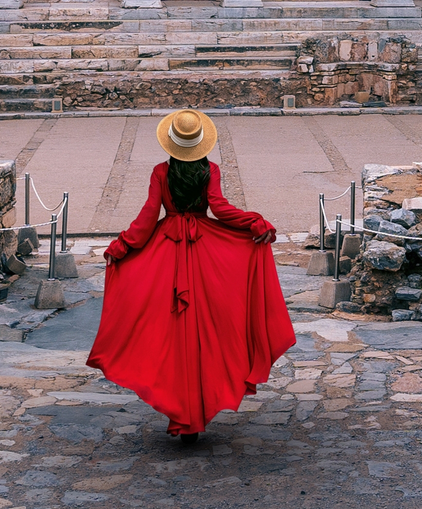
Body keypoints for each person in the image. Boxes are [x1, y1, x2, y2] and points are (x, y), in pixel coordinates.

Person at [87, 109, 295, 441]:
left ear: (171, 143)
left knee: (167, 333)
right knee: (209, 328)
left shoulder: (160, 172)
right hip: (204, 250)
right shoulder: (210, 170)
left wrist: (121, 247)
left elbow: (146, 218)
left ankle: (181, 409)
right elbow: (220, 208)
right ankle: (197, 407)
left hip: (167, 249)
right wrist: (255, 222)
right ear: (201, 143)